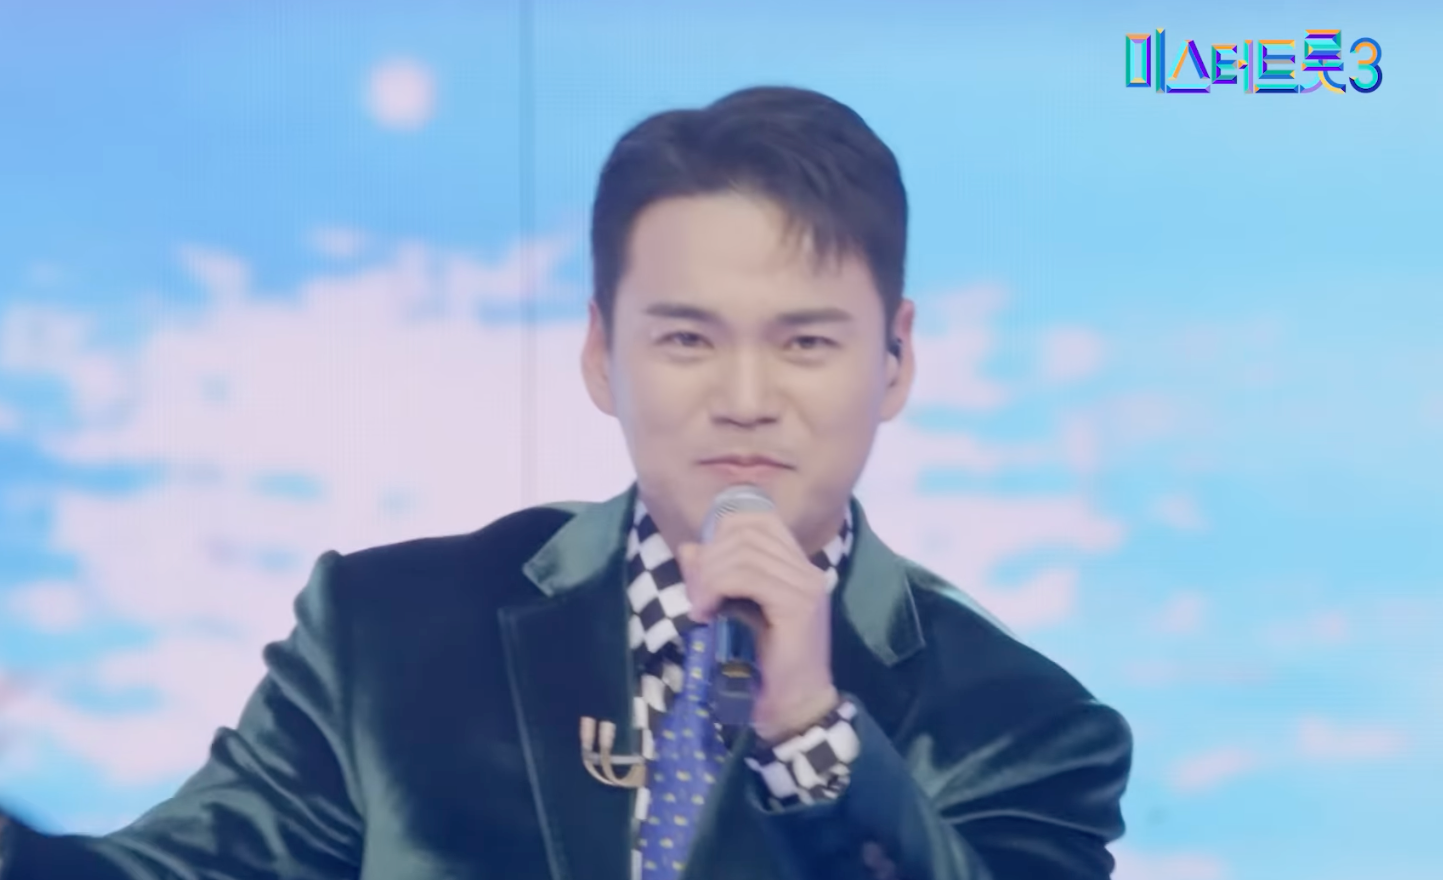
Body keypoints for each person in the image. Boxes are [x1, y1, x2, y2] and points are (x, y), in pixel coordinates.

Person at [0, 85, 1132, 880]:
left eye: (804, 342)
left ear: (895, 359)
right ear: (601, 353)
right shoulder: (388, 636)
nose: (745, 397)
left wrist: (807, 731)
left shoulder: (1024, 727)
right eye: (687, 339)